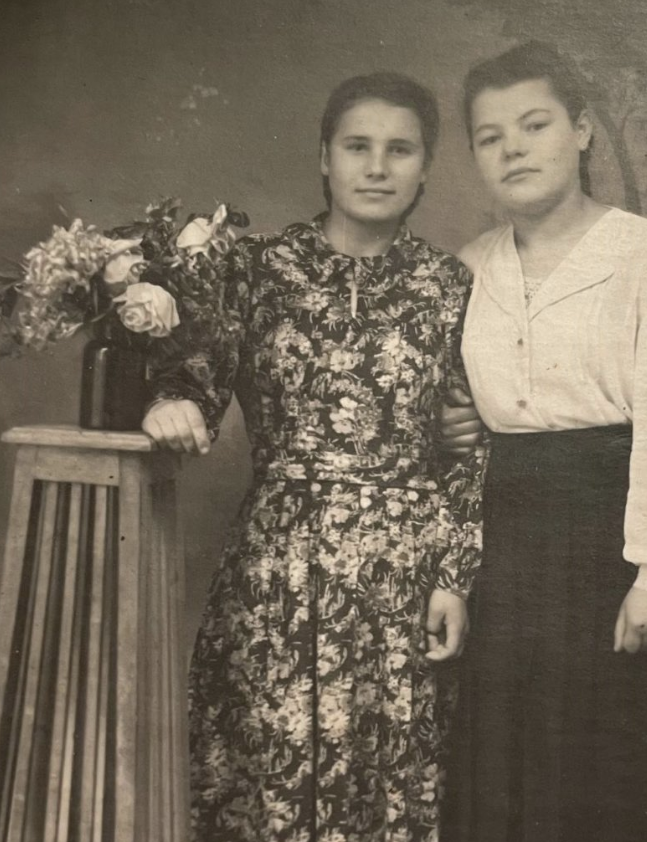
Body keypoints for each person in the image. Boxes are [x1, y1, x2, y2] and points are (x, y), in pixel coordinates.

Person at [143, 72, 482, 842]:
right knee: (269, 786)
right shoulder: (258, 269)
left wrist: (453, 577)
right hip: (279, 578)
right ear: (325, 157)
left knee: (388, 795)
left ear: (426, 168)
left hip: (402, 583)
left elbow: (471, 449)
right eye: (357, 146)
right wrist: (174, 401)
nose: (377, 167)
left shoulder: (449, 288)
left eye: (400, 150)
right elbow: (197, 369)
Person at [441, 42, 647, 842]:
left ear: (581, 131)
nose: (513, 148)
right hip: (510, 554)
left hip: (617, 539)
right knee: (524, 770)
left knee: (622, 776)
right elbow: (455, 402)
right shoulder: (467, 270)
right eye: (490, 136)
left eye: (534, 125)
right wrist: (454, 420)